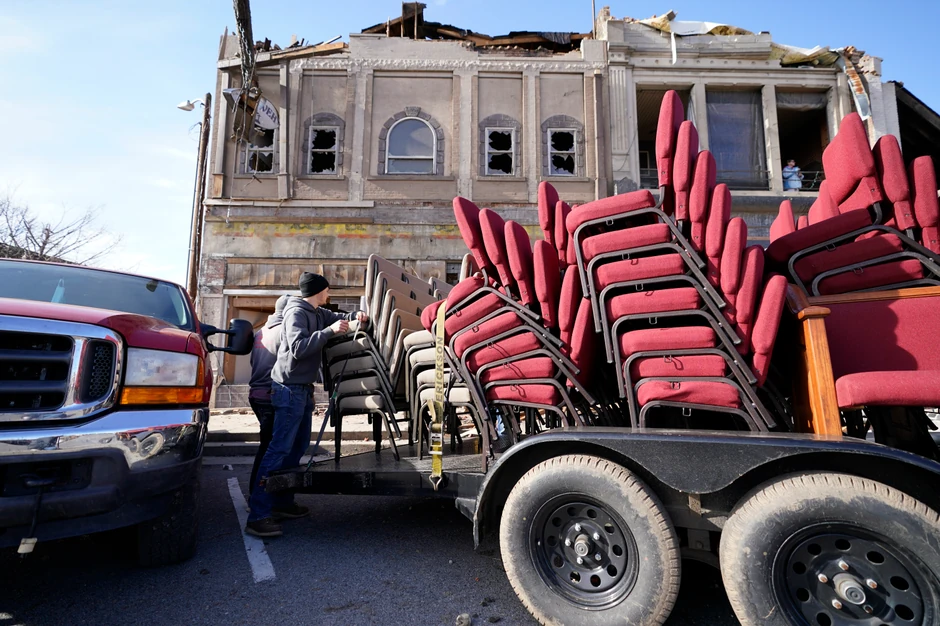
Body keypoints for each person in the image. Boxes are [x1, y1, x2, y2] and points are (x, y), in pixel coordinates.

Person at [245, 272, 368, 538]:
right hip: (288, 389)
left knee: (295, 449)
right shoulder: (296, 313)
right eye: (327, 290)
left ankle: (281, 503)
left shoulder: (317, 311)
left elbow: (338, 318)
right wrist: (328, 332)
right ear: (319, 290)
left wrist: (356, 315)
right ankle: (258, 516)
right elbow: (299, 347)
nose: (329, 294)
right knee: (278, 450)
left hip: (302, 390)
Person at [246, 294, 289, 496]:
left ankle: (258, 495)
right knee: (273, 450)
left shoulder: (261, 332)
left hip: (257, 394)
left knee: (266, 447)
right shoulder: (285, 331)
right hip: (271, 395)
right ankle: (259, 497)